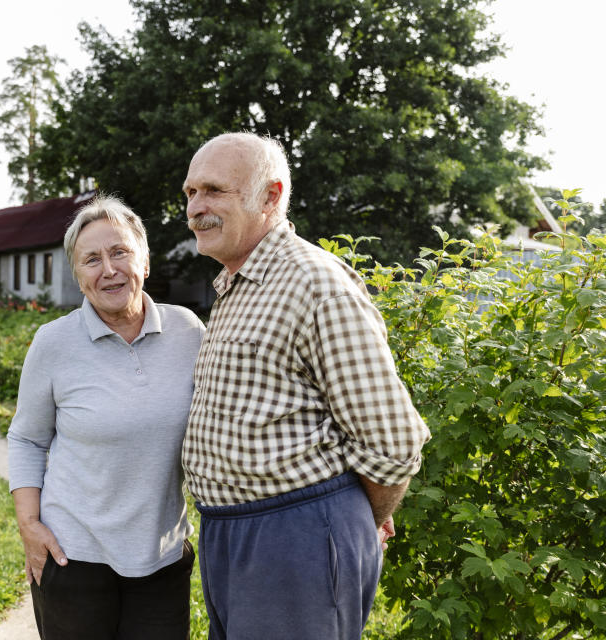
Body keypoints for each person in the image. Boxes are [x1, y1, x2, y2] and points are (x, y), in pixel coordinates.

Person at [181, 132, 431, 639]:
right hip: (233, 533)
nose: (195, 208)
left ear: (271, 196)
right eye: (189, 193)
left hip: (295, 537)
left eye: (213, 191)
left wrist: (354, 518)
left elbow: (394, 442)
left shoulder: (316, 284)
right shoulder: (237, 283)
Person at [7, 195, 205, 640]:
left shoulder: (189, 332)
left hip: (162, 556)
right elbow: (26, 439)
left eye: (120, 252)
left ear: (146, 262)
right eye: (91, 259)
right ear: (78, 277)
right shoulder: (54, 343)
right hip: (72, 558)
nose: (109, 269)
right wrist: (29, 526)